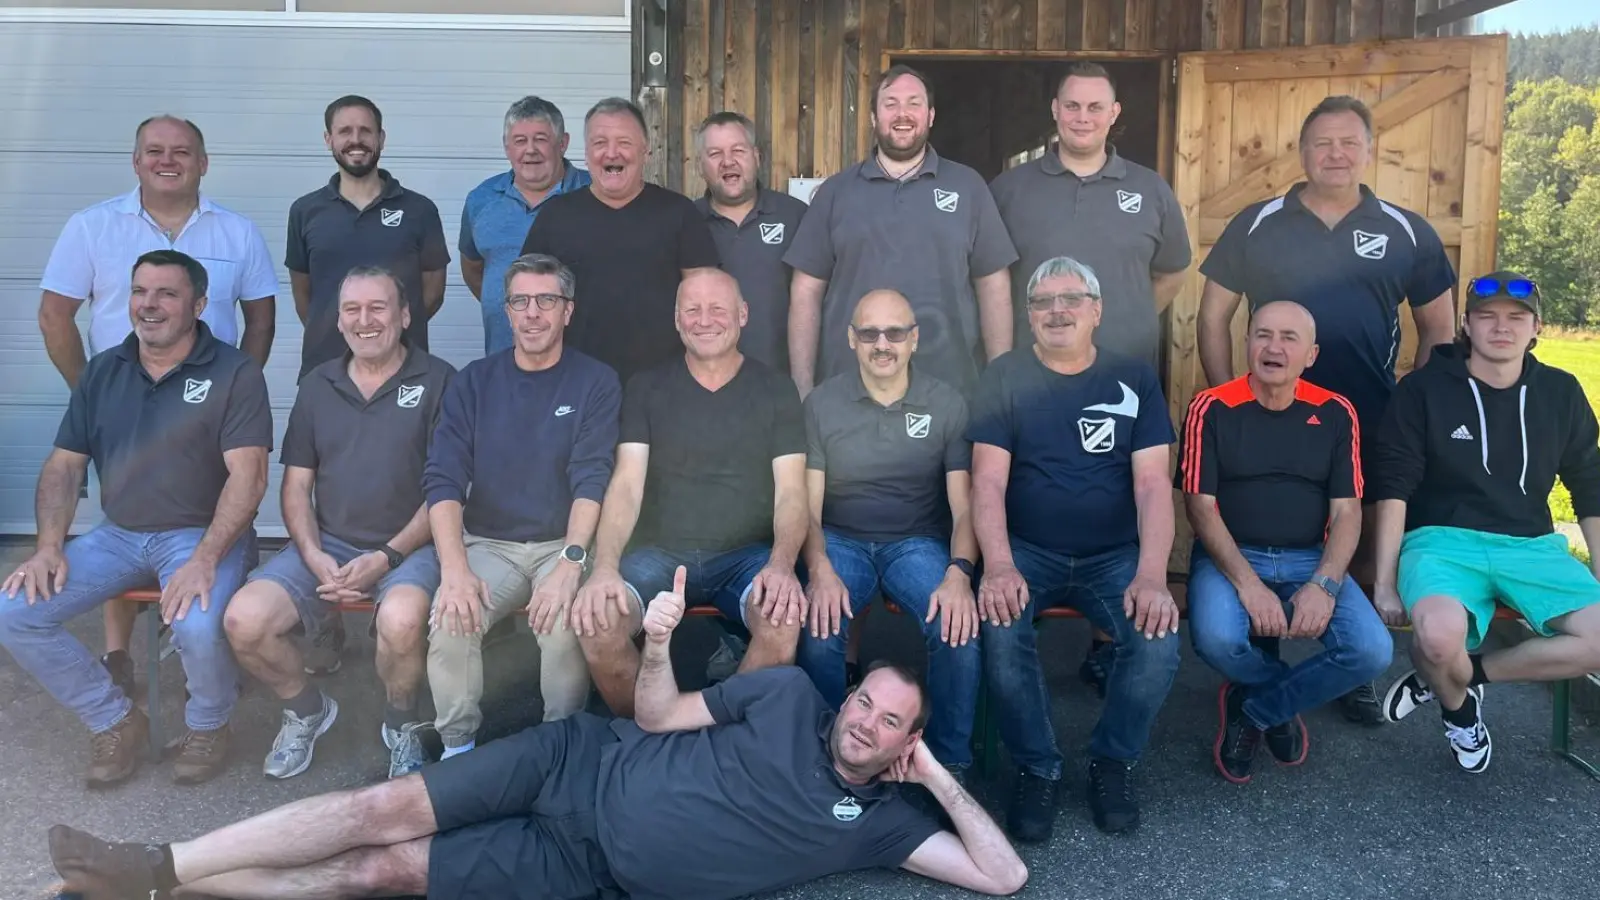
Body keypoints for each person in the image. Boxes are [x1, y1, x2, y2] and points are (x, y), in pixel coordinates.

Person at [44, 568, 1029, 900]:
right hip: (579, 759)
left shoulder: (879, 820)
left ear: (904, 740)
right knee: (378, 807)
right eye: (865, 701)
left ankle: (168, 881)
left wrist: (934, 777)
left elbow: (1003, 878)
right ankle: (156, 860)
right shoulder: (786, 703)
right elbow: (653, 715)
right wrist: (651, 649)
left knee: (375, 876)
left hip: (581, 866)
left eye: (890, 723)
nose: (864, 722)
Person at [1197, 95, 1458, 724]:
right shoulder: (1258, 222)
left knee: (1360, 528)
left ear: (1369, 151)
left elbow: (1439, 332)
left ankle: (1347, 671)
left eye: (1348, 142)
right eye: (1322, 143)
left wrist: (1409, 411)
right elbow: (1213, 316)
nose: (1335, 154)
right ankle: (1258, 645)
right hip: (1267, 407)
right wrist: (1227, 400)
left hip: (1368, 413)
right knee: (1255, 514)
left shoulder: (1407, 228)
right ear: (1303, 152)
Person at [0, 249, 272, 787]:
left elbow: (250, 477)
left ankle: (209, 724)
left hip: (202, 532)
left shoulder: (235, 372)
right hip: (119, 535)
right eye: (140, 292)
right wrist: (49, 546)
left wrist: (205, 557)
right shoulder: (104, 370)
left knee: (195, 623)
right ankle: (116, 720)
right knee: (15, 612)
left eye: (167, 293)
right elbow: (63, 466)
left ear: (197, 304)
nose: (150, 305)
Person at [37, 114, 278, 699]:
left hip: (207, 406)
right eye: (154, 151)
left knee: (213, 515)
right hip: (124, 406)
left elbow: (262, 318)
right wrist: (92, 392)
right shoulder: (92, 227)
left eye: (182, 151)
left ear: (203, 162)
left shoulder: (236, 233)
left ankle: (207, 642)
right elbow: (55, 314)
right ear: (136, 160)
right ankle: (118, 653)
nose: (167, 160)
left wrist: (233, 391)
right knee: (121, 519)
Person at [989, 60, 1192, 698]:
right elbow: (992, 277)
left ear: (1114, 114)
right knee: (1031, 487)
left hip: (1121, 376)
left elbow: (1171, 273)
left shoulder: (1150, 188)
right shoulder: (1012, 187)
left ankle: (1107, 645)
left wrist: (1120, 325)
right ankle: (1023, 605)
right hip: (1036, 374)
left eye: (1094, 107)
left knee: (1122, 489)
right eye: (1071, 106)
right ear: (1054, 110)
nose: (1082, 117)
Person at [968, 256, 1179, 840]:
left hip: (1113, 556)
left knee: (1157, 643)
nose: (1057, 310)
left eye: (1071, 299)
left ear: (1097, 310)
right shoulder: (1004, 377)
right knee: (1002, 633)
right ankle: (1038, 767)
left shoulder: (1133, 379)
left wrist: (1154, 574)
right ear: (1029, 314)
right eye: (1042, 302)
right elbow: (986, 480)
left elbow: (1153, 484)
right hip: (1027, 551)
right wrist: (1001, 563)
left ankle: (1112, 762)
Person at [222, 266, 454, 781]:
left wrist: (387, 556)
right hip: (327, 543)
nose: (364, 321)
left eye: (378, 308)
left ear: (405, 315)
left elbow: (447, 488)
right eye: (353, 309)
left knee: (401, 623)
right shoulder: (317, 384)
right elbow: (296, 485)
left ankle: (401, 721)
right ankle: (306, 709)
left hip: (410, 549)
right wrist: (312, 554)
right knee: (244, 620)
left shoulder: (440, 381)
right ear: (339, 318)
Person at [1370, 272, 1600, 773]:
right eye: (1487, 317)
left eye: (1516, 317)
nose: (1502, 328)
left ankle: (1461, 677)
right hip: (1441, 542)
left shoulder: (1560, 393)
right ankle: (1458, 710)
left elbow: (1589, 486)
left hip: (1533, 547)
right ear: (1466, 326)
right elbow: (1394, 488)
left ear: (1536, 327)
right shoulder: (1423, 391)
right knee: (1435, 636)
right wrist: (1384, 583)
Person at [1177, 301, 1393, 785]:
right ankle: (1278, 699)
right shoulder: (1210, 408)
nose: (1274, 347)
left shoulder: (1337, 412)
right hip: (1232, 557)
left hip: (1309, 558)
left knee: (1371, 652)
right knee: (1217, 640)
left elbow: (1347, 511)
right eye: (1262, 335)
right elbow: (1200, 507)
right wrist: (1249, 585)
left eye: (1289, 338)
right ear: (1247, 343)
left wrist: (1325, 582)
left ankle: (1255, 708)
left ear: (1311, 354)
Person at [574, 270, 807, 717]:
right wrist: (603, 567)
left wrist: (780, 564)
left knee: (783, 620)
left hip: (746, 555)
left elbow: (792, 493)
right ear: (677, 320)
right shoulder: (646, 386)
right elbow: (625, 486)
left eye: (718, 308)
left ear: (742, 315)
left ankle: (710, 735)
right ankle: (645, 735)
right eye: (692, 310)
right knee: (598, 622)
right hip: (659, 553)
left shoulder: (776, 390)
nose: (705, 320)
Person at [421, 253, 620, 760]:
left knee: (561, 625)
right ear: (506, 312)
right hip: (490, 543)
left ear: (567, 311)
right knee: (451, 618)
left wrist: (572, 564)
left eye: (546, 300)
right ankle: (458, 751)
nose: (533, 313)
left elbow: (591, 479)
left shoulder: (595, 382)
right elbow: (443, 479)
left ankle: (561, 750)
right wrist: (454, 569)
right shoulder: (473, 382)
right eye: (521, 301)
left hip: (562, 540)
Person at [797, 289, 981, 778]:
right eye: (870, 333)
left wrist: (959, 575)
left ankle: (948, 765)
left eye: (895, 332)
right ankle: (823, 760)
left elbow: (965, 511)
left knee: (956, 627)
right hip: (840, 538)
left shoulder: (946, 404)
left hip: (916, 542)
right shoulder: (821, 404)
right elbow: (807, 511)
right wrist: (819, 570)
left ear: (914, 340)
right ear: (852, 339)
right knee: (820, 625)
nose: (883, 343)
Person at [786, 64, 1017, 398]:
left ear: (931, 115)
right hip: (848, 393)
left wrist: (998, 382)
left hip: (950, 389)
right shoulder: (835, 193)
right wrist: (804, 389)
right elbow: (806, 290)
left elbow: (994, 285)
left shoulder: (969, 188)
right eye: (890, 103)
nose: (902, 113)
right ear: (872, 117)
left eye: (914, 103)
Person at [520, 97, 721, 385]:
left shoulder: (679, 214)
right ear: (586, 153)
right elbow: (529, 300)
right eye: (600, 143)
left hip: (663, 385)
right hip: (574, 385)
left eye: (624, 143)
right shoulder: (555, 217)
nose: (611, 152)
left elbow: (705, 298)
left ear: (645, 150)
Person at [287, 94, 450, 379]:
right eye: (345, 131)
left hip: (405, 370)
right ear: (328, 139)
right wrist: (344, 329)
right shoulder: (305, 211)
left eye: (365, 131)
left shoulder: (419, 210)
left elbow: (432, 292)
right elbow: (304, 295)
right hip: (325, 368)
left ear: (381, 138)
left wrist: (388, 331)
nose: (356, 140)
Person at [460, 96, 591, 355]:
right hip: (503, 359)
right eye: (520, 141)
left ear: (562, 143)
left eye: (541, 139)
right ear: (507, 147)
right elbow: (474, 268)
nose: (530, 150)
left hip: (582, 362)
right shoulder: (482, 199)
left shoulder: (593, 194)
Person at [692, 110, 809, 371]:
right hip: (705, 383)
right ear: (700, 166)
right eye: (715, 154)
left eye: (738, 151)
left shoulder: (796, 216)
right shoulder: (686, 222)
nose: (727, 161)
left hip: (779, 381)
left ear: (756, 157)